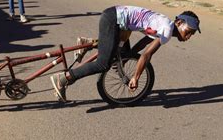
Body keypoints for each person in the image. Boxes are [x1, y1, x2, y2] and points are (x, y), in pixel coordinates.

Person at [50, 6, 201, 102]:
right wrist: (136, 77)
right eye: (188, 32)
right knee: (103, 64)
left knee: (118, 54)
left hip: (117, 21)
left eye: (191, 35)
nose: (188, 37)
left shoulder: (164, 24)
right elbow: (146, 55)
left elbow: (144, 43)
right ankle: (63, 78)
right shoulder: (167, 31)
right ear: (179, 23)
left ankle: (87, 43)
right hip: (114, 21)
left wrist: (129, 55)